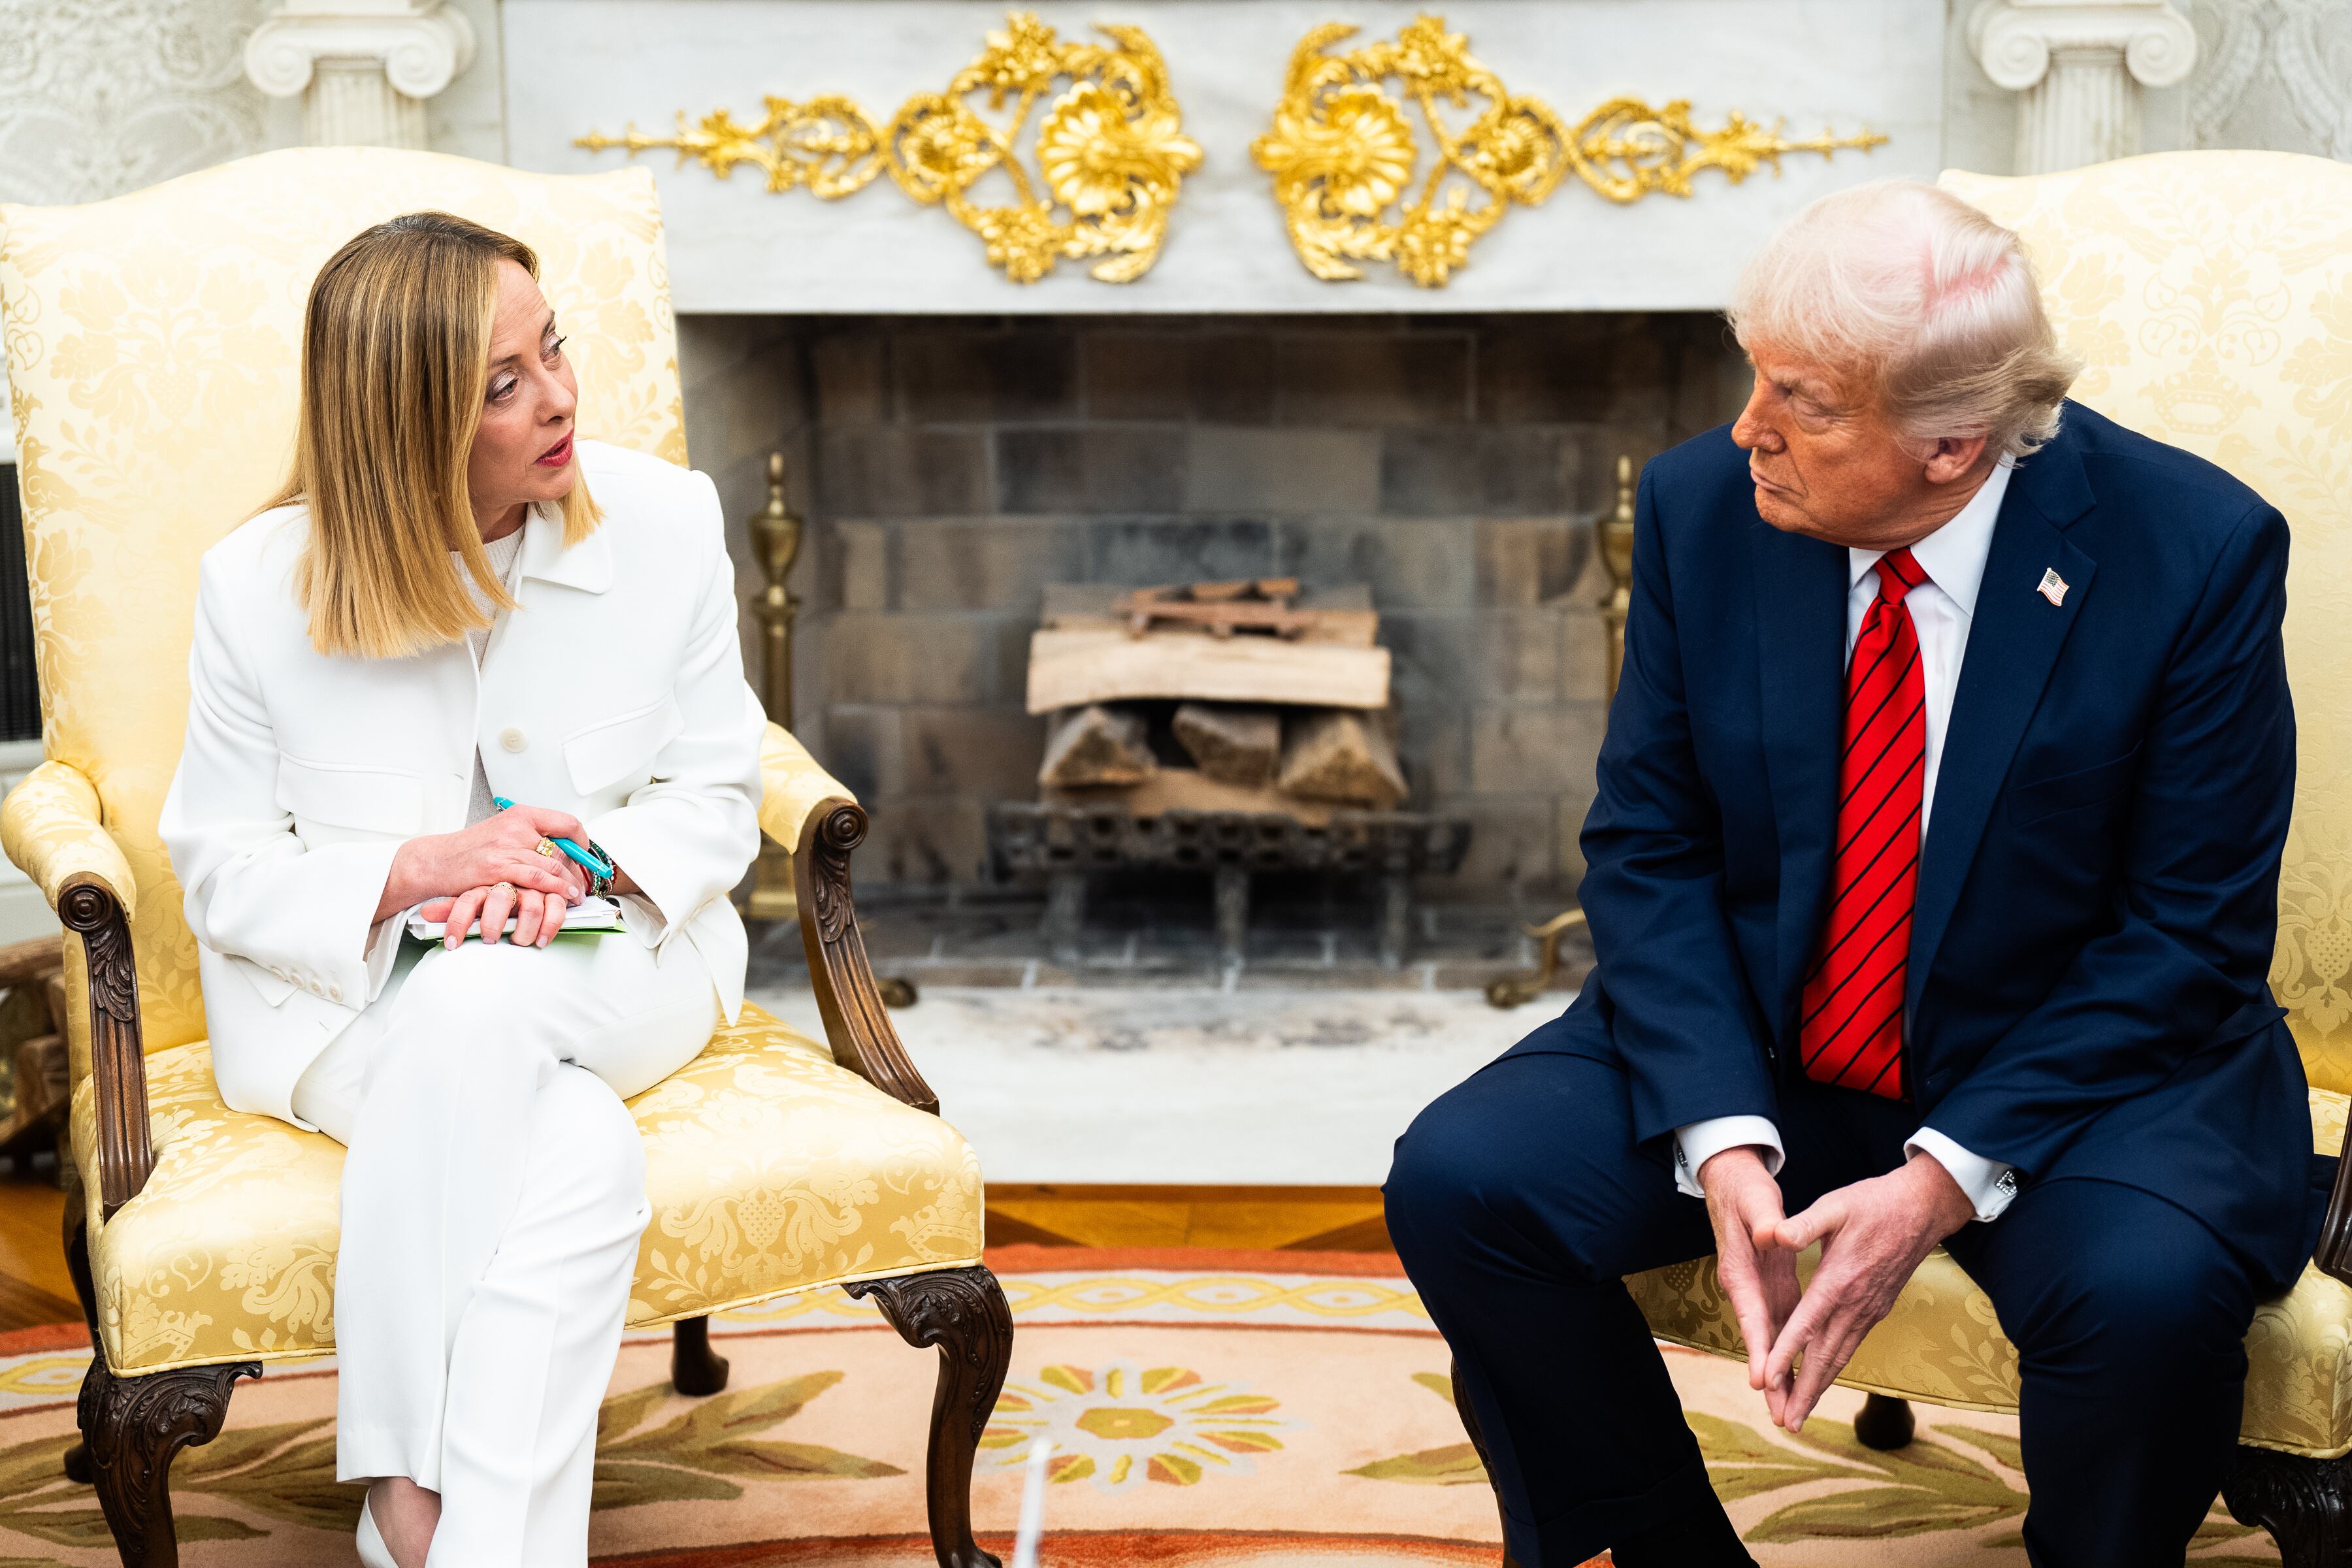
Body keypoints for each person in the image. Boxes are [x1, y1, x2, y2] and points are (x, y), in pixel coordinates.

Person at [1384, 180, 2330, 1568]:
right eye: (1756, 376)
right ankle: (1664, 1547)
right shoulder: (1709, 502)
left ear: (1953, 443)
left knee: (2144, 1296)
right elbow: (1651, 844)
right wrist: (1720, 1131)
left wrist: (1944, 1173)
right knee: (1466, 1180)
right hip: (1786, 1038)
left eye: (1804, 400)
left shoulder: (2189, 551)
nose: (1749, 427)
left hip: (2082, 1072)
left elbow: (2187, 937)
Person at [158, 212, 762, 1568]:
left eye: (551, 348)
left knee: (488, 989)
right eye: (502, 383)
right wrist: (422, 871)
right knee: (583, 1164)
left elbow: (720, 794)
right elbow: (221, 870)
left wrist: (580, 866)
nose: (559, 398)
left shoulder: (667, 523)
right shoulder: (256, 590)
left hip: (622, 965)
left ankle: (397, 1489)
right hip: (345, 1009)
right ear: (405, 417)